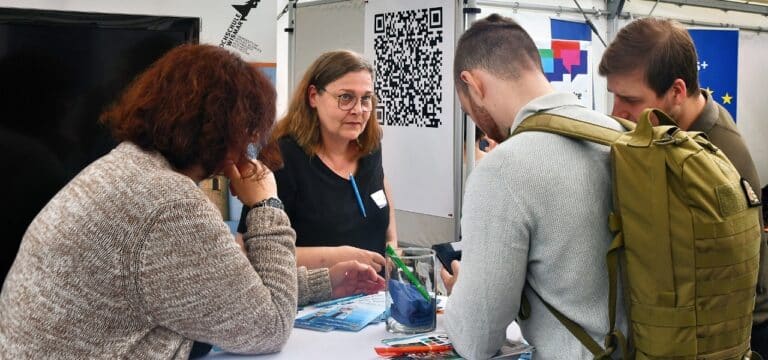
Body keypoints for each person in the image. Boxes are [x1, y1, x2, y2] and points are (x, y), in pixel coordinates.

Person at [0, 44, 384, 359]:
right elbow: (267, 330)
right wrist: (267, 206)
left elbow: (222, 291)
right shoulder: (169, 204)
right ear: (222, 128)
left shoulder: (127, 167)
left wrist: (324, 284)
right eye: (246, 129)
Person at [441, 14, 627, 359]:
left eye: (469, 112)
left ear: (473, 84)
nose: (479, 127)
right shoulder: (620, 135)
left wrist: (462, 294)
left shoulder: (503, 169)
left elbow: (476, 338)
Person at [599, 17, 766, 357]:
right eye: (614, 96)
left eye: (629, 99)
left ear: (676, 91)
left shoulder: (717, 159)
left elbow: (741, 282)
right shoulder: (675, 138)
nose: (617, 112)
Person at [237, 50, 397, 273]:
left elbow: (381, 190)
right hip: (312, 299)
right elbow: (252, 249)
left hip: (374, 297)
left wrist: (392, 245)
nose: (358, 110)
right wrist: (340, 258)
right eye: (346, 98)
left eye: (366, 99)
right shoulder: (282, 157)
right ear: (313, 96)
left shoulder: (370, 147)